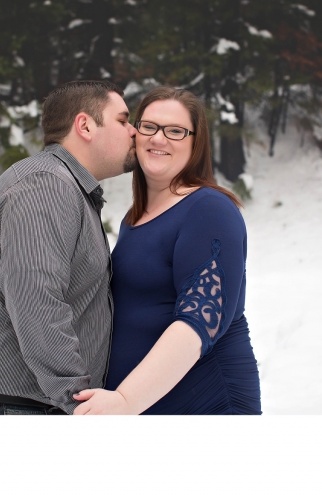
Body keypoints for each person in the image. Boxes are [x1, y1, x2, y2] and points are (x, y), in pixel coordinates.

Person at [0, 80, 137, 415]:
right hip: (6, 406)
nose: (134, 131)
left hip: (18, 403)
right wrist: (79, 402)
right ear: (85, 125)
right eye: (122, 120)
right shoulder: (46, 186)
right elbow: (37, 302)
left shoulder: (66, 187)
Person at [73, 86, 261, 414]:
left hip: (206, 404)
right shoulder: (136, 217)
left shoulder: (208, 208)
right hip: (150, 406)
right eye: (149, 127)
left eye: (175, 131)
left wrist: (125, 400)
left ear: (195, 142)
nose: (159, 139)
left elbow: (200, 319)